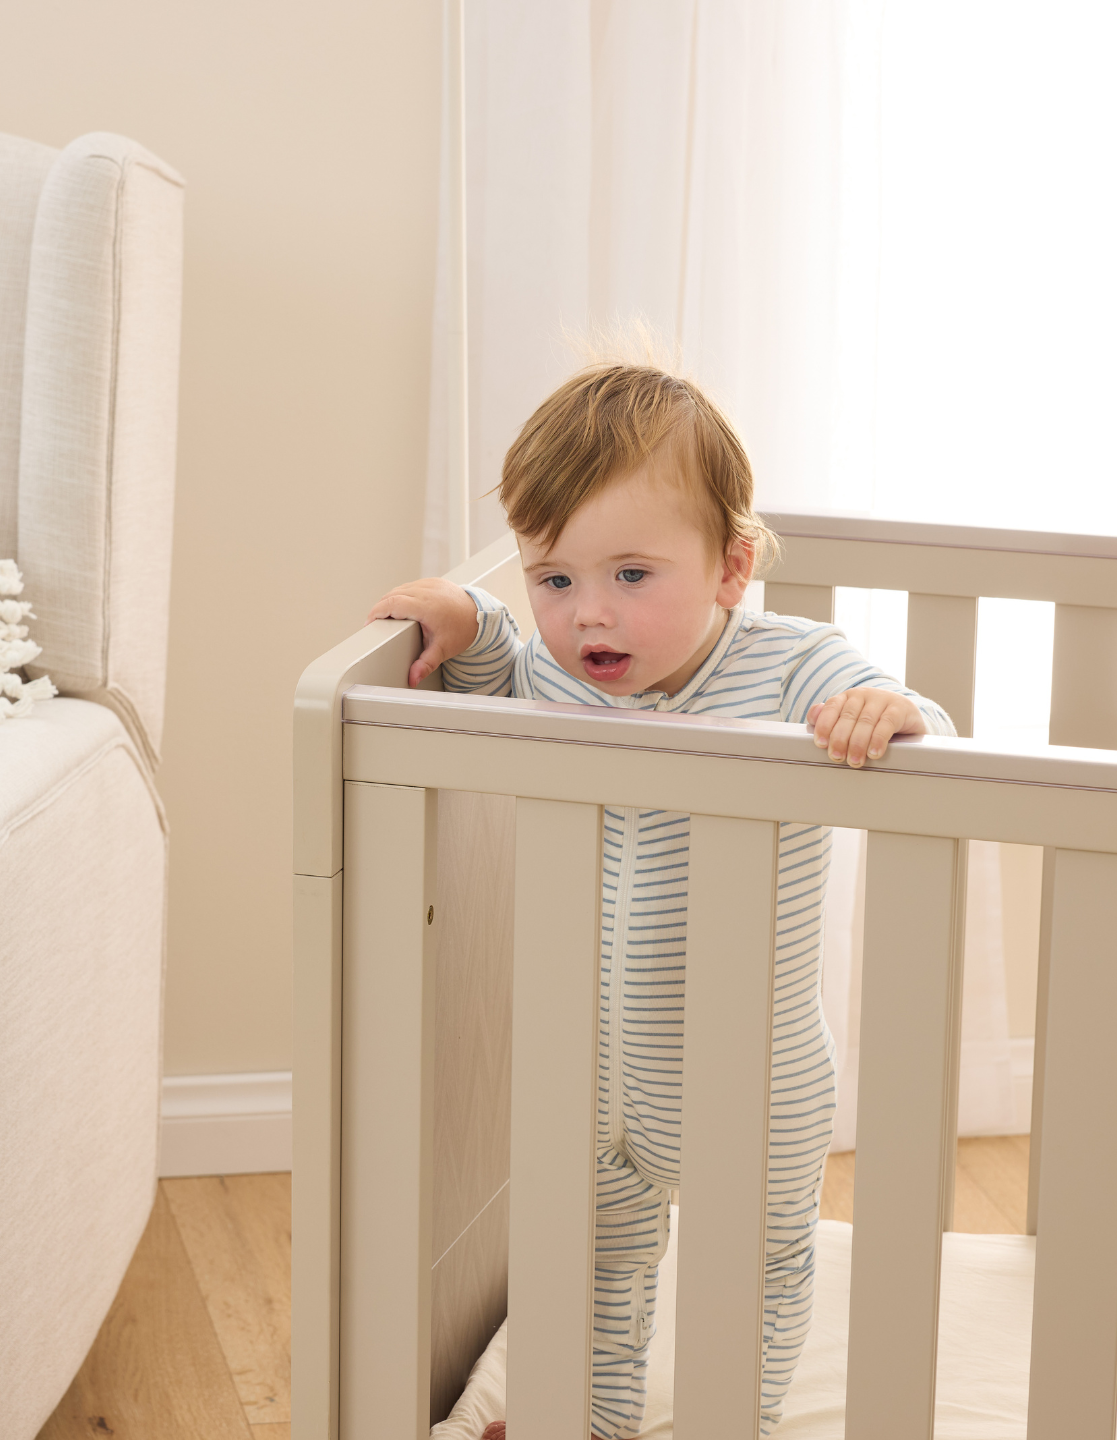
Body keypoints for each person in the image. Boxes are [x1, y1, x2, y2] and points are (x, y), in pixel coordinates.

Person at [368, 364, 955, 1440]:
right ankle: (594, 1421)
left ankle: (738, 1419)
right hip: (587, 1065)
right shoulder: (561, 672)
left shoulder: (792, 670)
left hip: (750, 1076)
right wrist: (467, 613)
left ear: (733, 567)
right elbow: (498, 662)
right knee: (593, 1256)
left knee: (757, 1265)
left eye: (632, 573)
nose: (589, 613)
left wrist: (888, 707)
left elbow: (934, 728)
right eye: (553, 579)